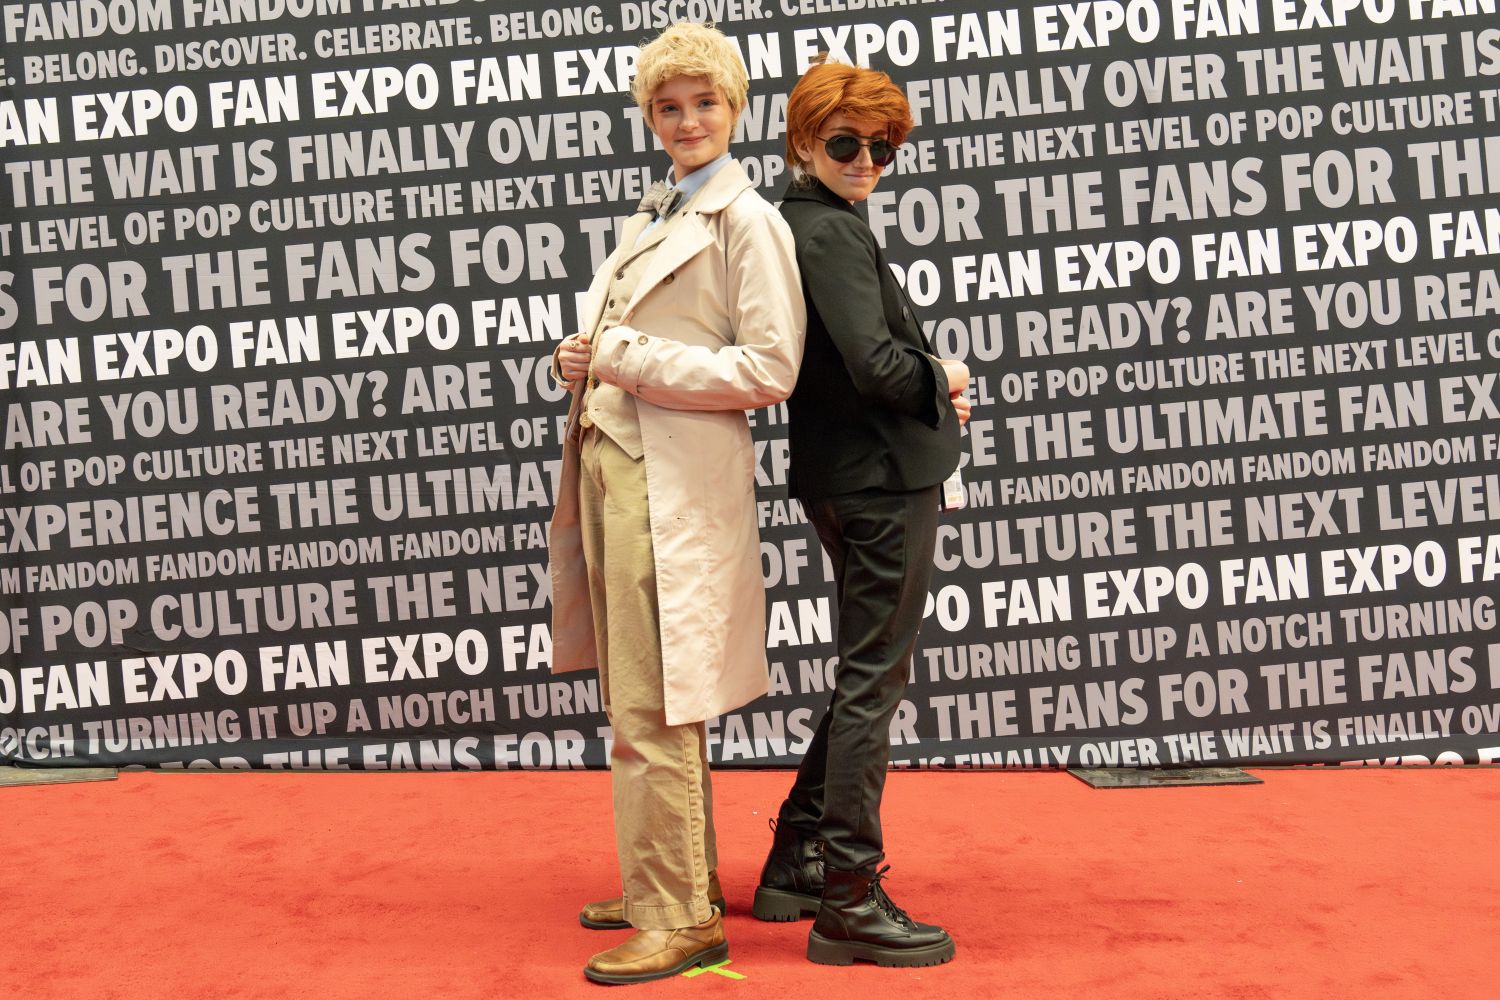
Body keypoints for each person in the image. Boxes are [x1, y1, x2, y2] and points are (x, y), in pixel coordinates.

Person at [546, 21, 806, 987]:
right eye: (668, 106)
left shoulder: (749, 221)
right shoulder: (656, 212)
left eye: (704, 103)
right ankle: (670, 876)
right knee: (636, 696)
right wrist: (579, 357)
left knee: (656, 706)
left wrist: (625, 358)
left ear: (735, 109)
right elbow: (615, 333)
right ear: (649, 117)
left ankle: (680, 916)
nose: (686, 120)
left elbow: (771, 367)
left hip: (672, 489)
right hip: (616, 467)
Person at [751, 60, 970, 968]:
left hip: (854, 475)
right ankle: (848, 895)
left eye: (884, 147)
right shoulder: (827, 234)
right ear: (803, 142)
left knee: (862, 676)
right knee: (873, 681)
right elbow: (878, 365)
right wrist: (944, 378)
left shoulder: (802, 222)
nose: (868, 160)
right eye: (846, 143)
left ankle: (798, 859)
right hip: (879, 482)